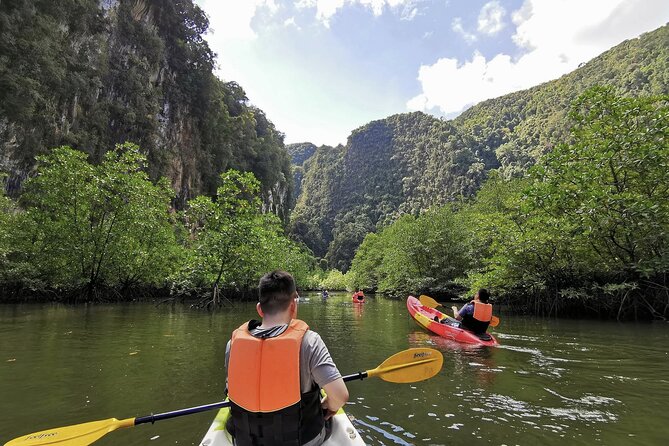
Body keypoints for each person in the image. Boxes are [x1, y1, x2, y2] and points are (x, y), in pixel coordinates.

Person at [225, 270, 349, 446]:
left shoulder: (233, 343)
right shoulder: (309, 341)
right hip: (301, 440)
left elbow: (231, 387)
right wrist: (328, 406)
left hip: (246, 440)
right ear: (293, 306)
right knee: (327, 415)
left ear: (259, 309)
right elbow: (340, 396)